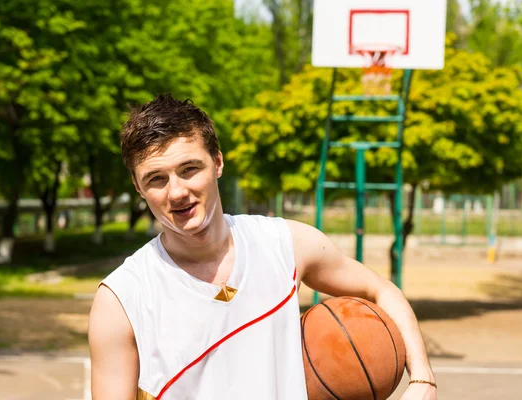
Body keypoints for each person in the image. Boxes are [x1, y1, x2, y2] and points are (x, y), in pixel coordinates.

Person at [88, 94, 437, 400]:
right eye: (156, 179)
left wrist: (422, 378)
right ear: (138, 186)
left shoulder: (285, 245)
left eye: (190, 168)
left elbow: (380, 290)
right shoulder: (123, 299)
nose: (177, 191)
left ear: (218, 163)